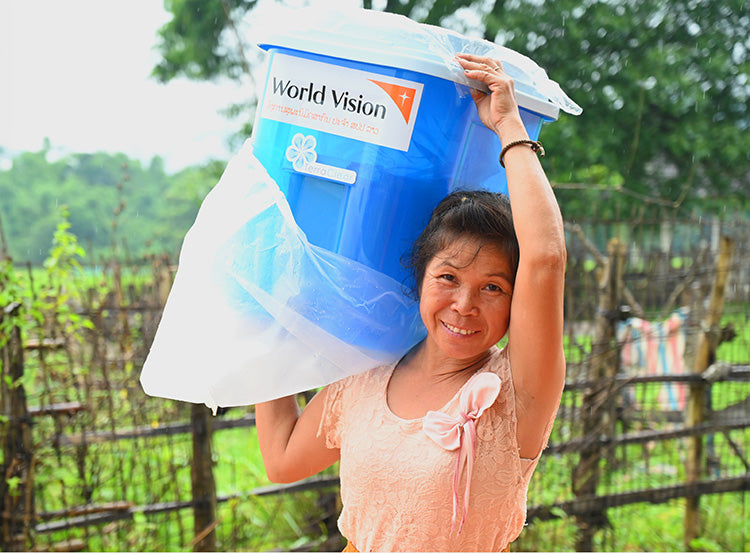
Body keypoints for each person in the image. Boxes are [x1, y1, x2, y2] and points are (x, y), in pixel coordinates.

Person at [254, 53, 566, 552]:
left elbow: (545, 259)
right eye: (448, 277)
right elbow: (282, 455)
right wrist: (268, 314)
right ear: (419, 279)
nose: (464, 304)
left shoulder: (516, 392)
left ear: (514, 303)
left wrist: (509, 126)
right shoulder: (365, 378)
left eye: (493, 288)